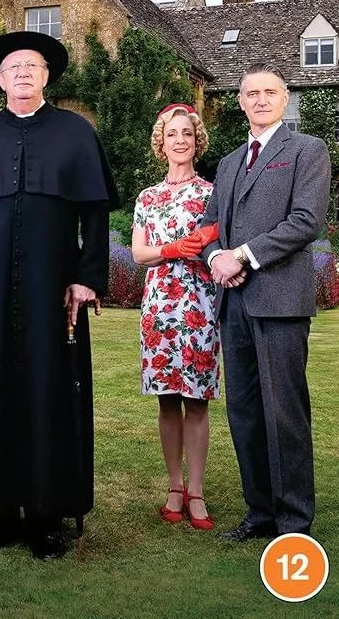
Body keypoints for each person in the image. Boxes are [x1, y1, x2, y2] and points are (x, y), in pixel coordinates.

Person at [0, 31, 118, 561]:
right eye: (13, 67)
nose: (22, 74)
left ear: (46, 75)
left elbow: (95, 216)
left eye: (31, 66)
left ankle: (44, 517)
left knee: (48, 392)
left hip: (51, 292)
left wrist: (87, 277)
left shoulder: (76, 133)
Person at [201, 63, 331, 540]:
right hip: (233, 304)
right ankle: (260, 512)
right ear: (239, 101)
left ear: (285, 97)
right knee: (245, 412)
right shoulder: (231, 161)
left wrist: (243, 256)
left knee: (284, 414)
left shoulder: (307, 150)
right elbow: (208, 225)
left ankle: (294, 520)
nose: (260, 100)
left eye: (269, 92)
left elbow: (305, 221)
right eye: (251, 92)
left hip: (280, 301)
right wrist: (217, 257)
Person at [132, 104, 221, 531]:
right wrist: (170, 250)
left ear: (196, 140)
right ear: (161, 143)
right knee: (168, 400)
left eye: (187, 133)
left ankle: (198, 492)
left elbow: (220, 246)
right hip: (160, 309)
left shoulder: (213, 194)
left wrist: (203, 246)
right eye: (172, 134)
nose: (180, 140)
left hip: (201, 305)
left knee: (197, 401)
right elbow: (138, 254)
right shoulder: (147, 198)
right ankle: (174, 486)